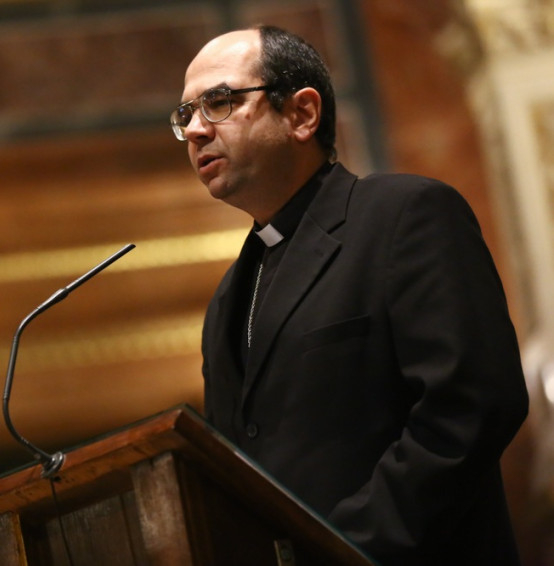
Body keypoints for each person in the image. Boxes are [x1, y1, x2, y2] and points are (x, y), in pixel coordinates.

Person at [171, 25, 529, 565]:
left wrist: (341, 550)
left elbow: (471, 405)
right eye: (186, 114)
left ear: (302, 114)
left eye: (219, 102)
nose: (196, 130)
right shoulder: (227, 299)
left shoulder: (404, 215)